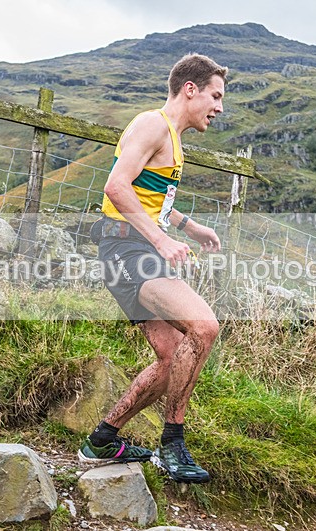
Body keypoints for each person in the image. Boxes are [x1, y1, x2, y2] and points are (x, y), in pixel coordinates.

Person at [77, 53, 227, 484]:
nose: (219, 108)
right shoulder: (152, 124)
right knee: (203, 326)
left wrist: (189, 226)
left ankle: (103, 438)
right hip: (127, 251)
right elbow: (116, 187)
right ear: (190, 90)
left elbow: (152, 198)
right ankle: (173, 443)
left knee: (170, 358)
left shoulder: (174, 139)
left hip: (140, 249)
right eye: (215, 97)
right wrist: (161, 240)